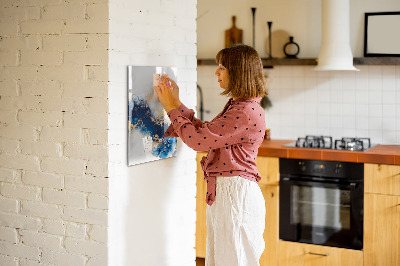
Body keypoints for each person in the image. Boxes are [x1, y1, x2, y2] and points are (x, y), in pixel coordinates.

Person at [155, 44, 267, 266]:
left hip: (235, 197)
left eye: (222, 67)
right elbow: (206, 133)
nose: (217, 73)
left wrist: (170, 108)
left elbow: (198, 141)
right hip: (230, 195)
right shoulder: (240, 106)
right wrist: (176, 104)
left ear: (238, 72)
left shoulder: (244, 111)